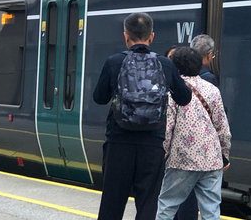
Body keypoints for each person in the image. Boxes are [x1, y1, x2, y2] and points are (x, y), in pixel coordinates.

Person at [93, 13, 192, 220]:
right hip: (152, 144)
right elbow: (184, 98)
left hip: (119, 142)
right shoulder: (165, 64)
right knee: (148, 204)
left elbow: (99, 98)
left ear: (125, 36)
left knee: (112, 203)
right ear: (152, 36)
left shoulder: (114, 62)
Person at [156, 47, 231, 220]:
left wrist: (162, 155)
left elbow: (167, 128)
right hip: (211, 160)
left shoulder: (172, 90)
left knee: (167, 205)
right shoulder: (213, 90)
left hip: (182, 160)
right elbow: (222, 126)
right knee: (211, 210)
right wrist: (224, 154)